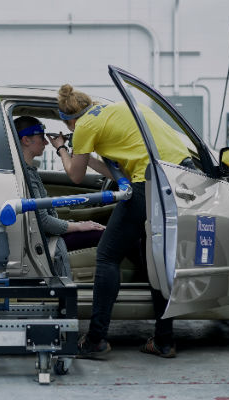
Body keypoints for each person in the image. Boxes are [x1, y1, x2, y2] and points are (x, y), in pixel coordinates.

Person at [48, 84, 194, 359]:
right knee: (154, 258)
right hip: (179, 178)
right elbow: (120, 172)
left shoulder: (84, 126)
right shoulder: (120, 107)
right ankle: (164, 340)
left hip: (150, 183)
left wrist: (62, 148)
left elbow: (74, 175)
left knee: (106, 256)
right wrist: (89, 157)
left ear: (69, 120)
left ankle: (96, 339)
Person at [14, 116, 105, 278]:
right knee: (110, 236)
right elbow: (44, 222)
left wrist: (80, 223)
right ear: (26, 140)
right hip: (46, 239)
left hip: (48, 235)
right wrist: (79, 226)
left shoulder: (29, 172)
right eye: (42, 137)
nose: (46, 143)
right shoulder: (25, 175)